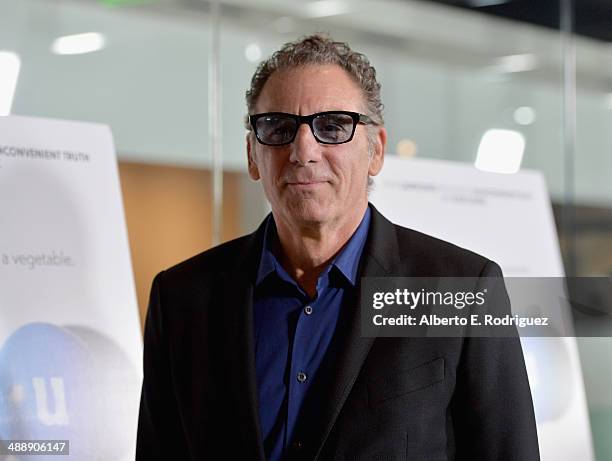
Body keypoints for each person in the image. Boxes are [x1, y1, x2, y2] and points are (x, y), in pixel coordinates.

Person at [136, 34, 539, 461]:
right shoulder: (182, 297)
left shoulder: (460, 288)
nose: (302, 151)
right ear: (253, 155)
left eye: (332, 126)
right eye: (278, 127)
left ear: (376, 151)